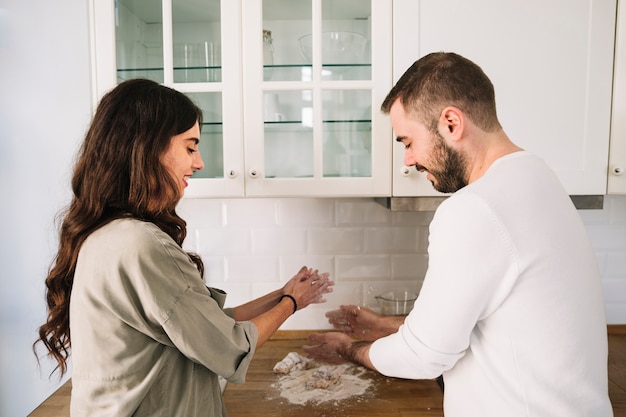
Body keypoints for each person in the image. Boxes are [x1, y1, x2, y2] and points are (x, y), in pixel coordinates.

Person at [303, 52, 612, 416]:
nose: (408, 160)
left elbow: (423, 356)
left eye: (407, 141)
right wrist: (388, 326)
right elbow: (498, 316)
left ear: (451, 122)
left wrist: (347, 348)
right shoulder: (537, 177)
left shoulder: (475, 207)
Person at [33, 78, 333, 417]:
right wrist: (292, 304)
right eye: (190, 147)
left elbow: (208, 325)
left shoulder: (106, 234)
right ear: (147, 148)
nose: (199, 162)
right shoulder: (141, 244)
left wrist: (282, 293)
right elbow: (230, 345)